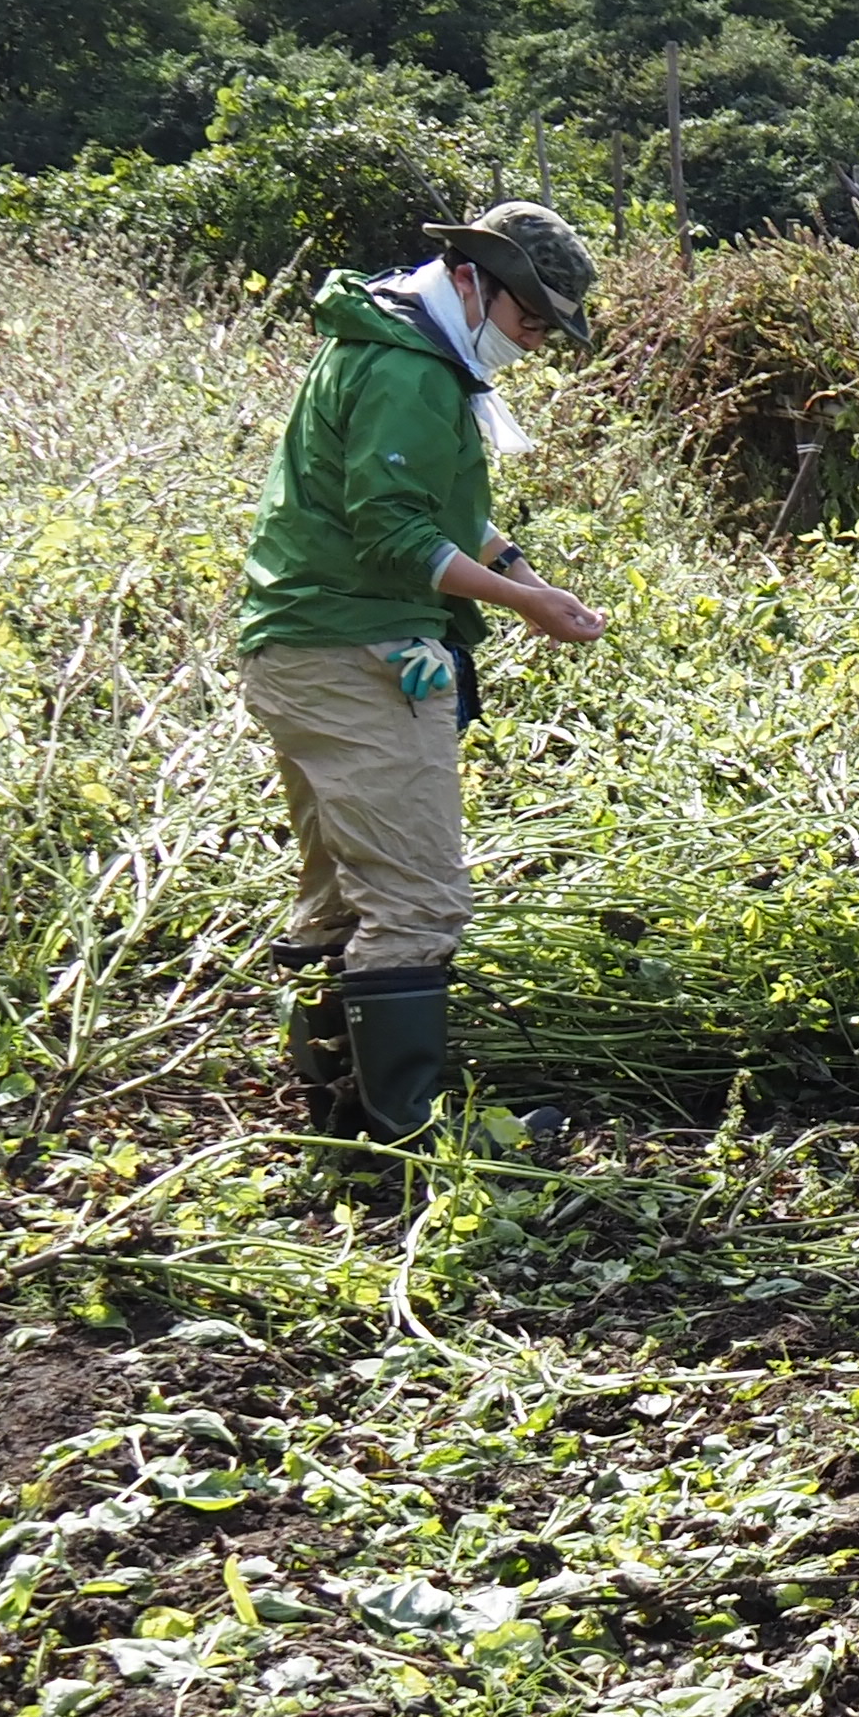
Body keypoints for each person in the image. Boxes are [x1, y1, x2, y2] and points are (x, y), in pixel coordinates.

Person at [235, 202, 612, 1136]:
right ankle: (405, 1132)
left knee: (342, 892)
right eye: (531, 321)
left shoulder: (401, 345)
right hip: (356, 648)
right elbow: (394, 529)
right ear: (479, 283)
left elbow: (435, 504)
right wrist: (519, 603)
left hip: (305, 645)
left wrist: (522, 572)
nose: (532, 342)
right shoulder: (411, 370)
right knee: (417, 899)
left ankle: (338, 1104)